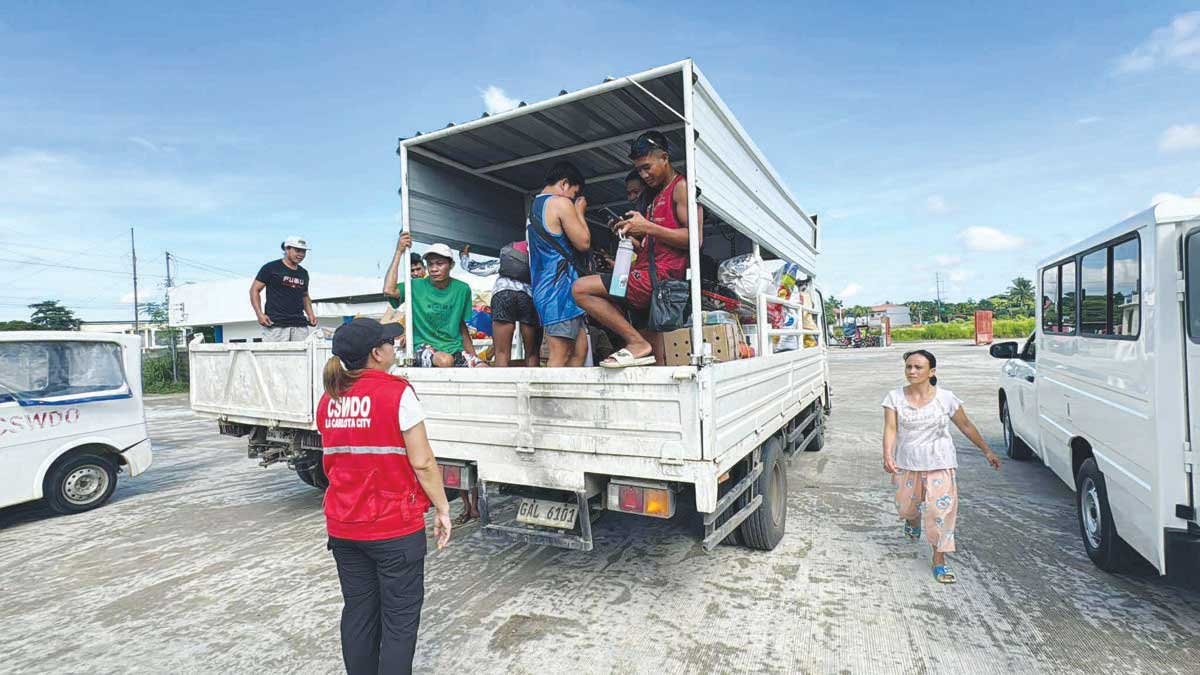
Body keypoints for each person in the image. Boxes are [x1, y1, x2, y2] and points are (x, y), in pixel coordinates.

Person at [316, 317, 452, 674]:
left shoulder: (329, 399)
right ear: (377, 353)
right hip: (393, 528)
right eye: (390, 342)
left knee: (359, 614)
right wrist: (442, 509)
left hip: (344, 527)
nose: (395, 346)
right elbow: (422, 463)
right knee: (399, 622)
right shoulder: (396, 392)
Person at [573, 131, 699, 368]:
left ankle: (634, 341)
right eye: (639, 169)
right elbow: (658, 244)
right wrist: (633, 237)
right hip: (646, 276)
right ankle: (642, 349)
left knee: (580, 288)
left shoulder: (681, 187)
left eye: (647, 167)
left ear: (664, 157)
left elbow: (694, 239)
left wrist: (647, 226)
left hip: (657, 279)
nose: (644, 174)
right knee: (654, 359)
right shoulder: (655, 196)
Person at [881, 349, 1001, 584]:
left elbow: (965, 425)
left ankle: (939, 560)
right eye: (909, 367)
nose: (912, 371)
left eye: (918, 367)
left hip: (940, 463)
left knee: (940, 514)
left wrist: (986, 450)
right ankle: (912, 520)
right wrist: (887, 455)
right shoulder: (894, 397)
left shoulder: (946, 398)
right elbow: (891, 429)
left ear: (931, 372)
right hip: (908, 463)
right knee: (905, 508)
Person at [383, 236, 486, 368]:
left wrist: (474, 357)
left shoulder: (462, 289)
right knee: (445, 360)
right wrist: (399, 252)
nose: (434, 269)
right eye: (430, 264)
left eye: (439, 263)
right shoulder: (414, 286)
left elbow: (461, 326)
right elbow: (389, 290)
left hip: (454, 348)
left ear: (451, 265)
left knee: (483, 369)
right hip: (424, 347)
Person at [527, 161, 591, 367]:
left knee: (580, 350)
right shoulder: (560, 203)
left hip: (549, 289)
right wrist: (579, 211)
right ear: (564, 184)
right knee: (561, 353)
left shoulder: (535, 206)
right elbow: (583, 242)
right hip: (558, 292)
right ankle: (549, 400)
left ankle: (570, 398)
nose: (573, 198)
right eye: (574, 192)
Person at [460, 243, 541, 368]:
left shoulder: (503, 263)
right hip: (527, 297)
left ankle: (503, 386)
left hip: (503, 294)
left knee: (501, 352)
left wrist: (464, 256)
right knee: (532, 354)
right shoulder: (535, 266)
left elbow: (472, 267)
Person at [250, 236, 318, 341]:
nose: (301, 255)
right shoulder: (271, 268)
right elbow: (254, 290)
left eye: (303, 252)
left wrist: (311, 314)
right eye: (297, 250)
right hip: (276, 325)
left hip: (299, 325)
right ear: (287, 249)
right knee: (275, 357)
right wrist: (260, 314)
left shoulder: (303, 273)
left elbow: (305, 295)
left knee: (301, 357)